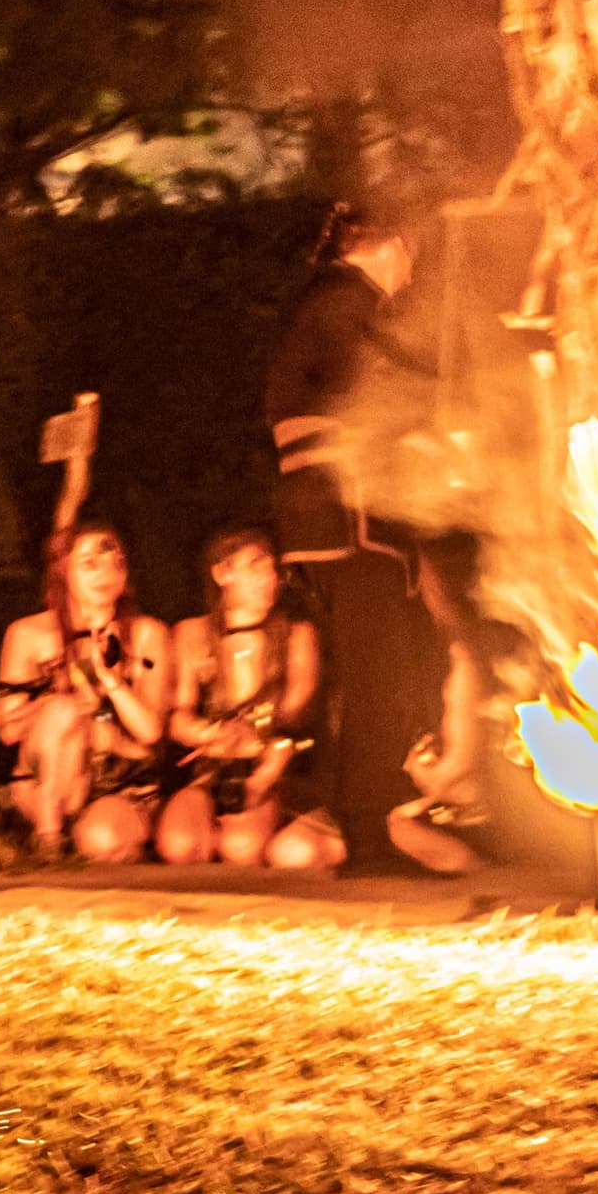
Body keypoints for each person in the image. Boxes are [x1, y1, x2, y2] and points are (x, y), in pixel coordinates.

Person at [264, 202, 461, 870]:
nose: (414, 272)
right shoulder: (346, 304)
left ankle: (364, 820)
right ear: (395, 242)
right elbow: (379, 401)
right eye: (414, 252)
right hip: (346, 522)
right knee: (376, 676)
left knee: (380, 673)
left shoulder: (333, 306)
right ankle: (366, 837)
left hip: (340, 523)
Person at [156, 522, 344, 871]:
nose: (268, 578)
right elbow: (178, 719)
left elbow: (295, 715)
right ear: (222, 572)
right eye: (255, 566)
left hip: (275, 770)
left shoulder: (297, 634)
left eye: (272, 568)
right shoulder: (192, 633)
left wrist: (254, 742)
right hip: (211, 768)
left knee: (240, 848)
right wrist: (209, 734)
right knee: (179, 846)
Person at [0, 522, 169, 861]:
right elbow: (8, 730)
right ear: (63, 570)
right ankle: (49, 838)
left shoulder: (148, 634)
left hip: (122, 782)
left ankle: (109, 843)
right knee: (62, 712)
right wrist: (67, 706)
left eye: (115, 563)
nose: (106, 574)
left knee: (101, 840)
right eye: (90, 564)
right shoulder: (28, 634)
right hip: (50, 783)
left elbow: (150, 731)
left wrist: (110, 681)